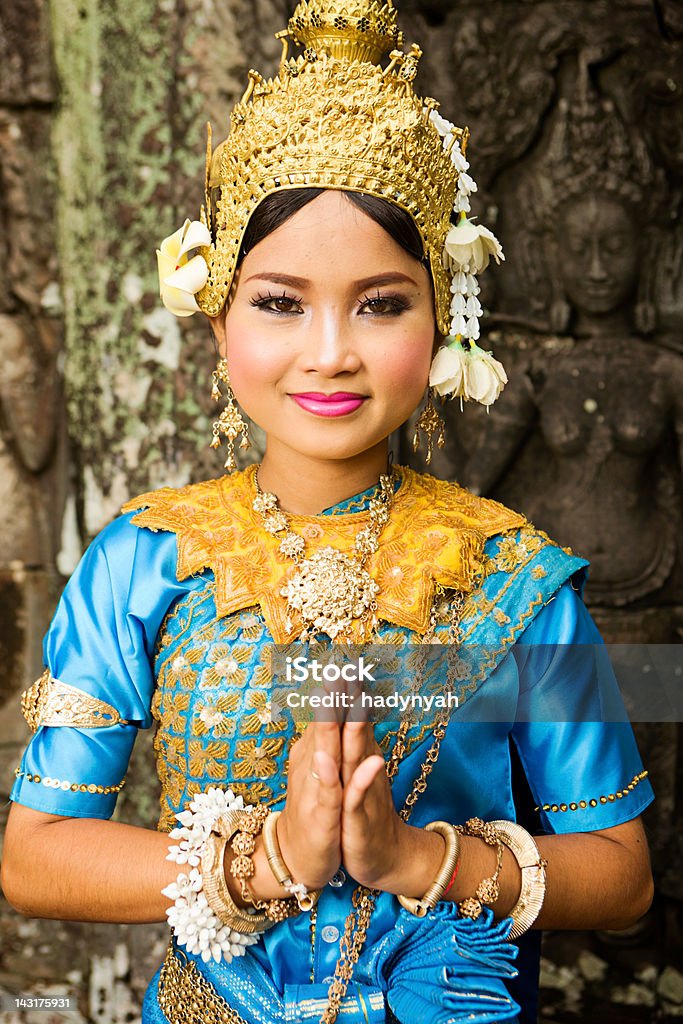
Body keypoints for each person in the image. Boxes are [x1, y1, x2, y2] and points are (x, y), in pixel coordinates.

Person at [1, 3, 654, 1023]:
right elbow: (36, 856)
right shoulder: (145, 561)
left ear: (442, 315)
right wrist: (269, 859)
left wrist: (411, 856)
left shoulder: (511, 577)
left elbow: (619, 875)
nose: (330, 351)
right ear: (216, 315)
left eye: (381, 302)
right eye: (278, 301)